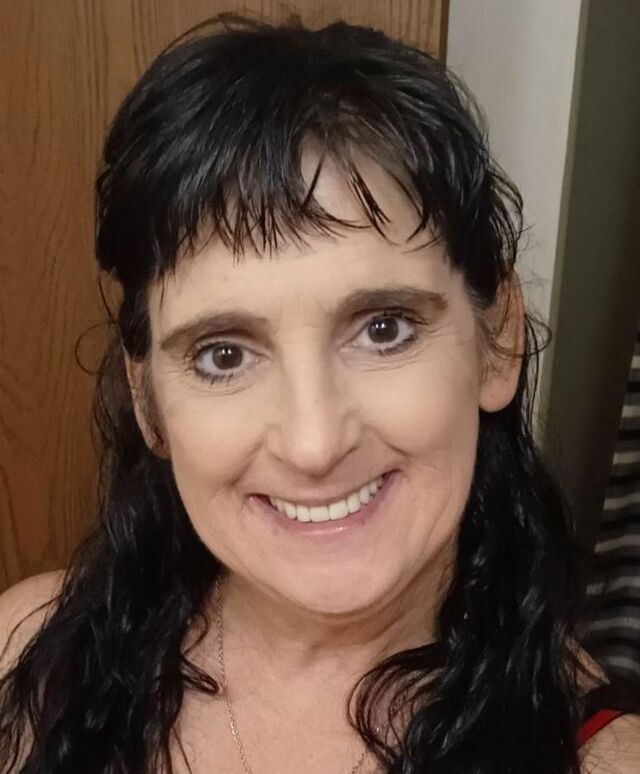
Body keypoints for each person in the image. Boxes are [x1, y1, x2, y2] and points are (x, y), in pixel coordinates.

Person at [0, 13, 638, 774]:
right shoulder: (25, 657)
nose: (314, 444)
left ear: (496, 341)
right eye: (224, 355)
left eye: (384, 329)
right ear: (149, 404)